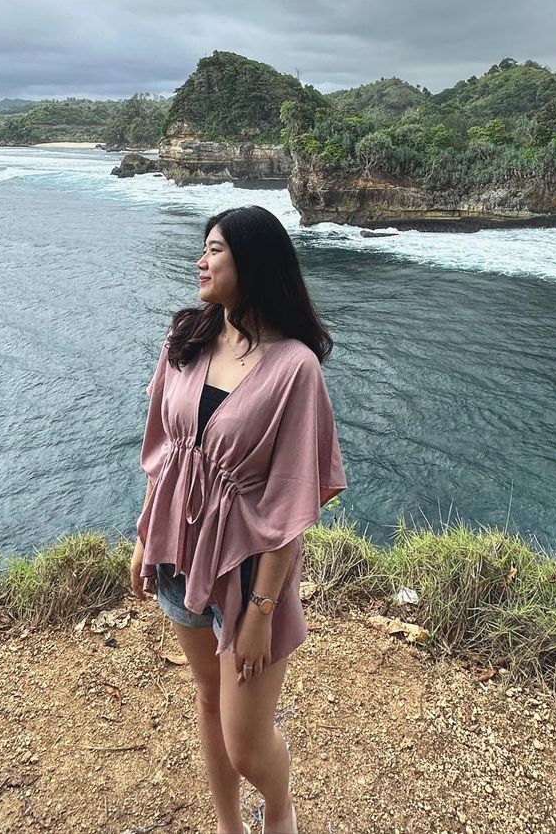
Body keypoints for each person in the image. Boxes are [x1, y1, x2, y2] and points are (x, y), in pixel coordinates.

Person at [131, 205, 347, 834]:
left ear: (252, 262)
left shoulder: (294, 369)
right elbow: (165, 455)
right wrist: (147, 535)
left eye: (216, 249)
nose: (201, 261)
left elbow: (289, 504)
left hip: (251, 571)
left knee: (248, 746)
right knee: (207, 698)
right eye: (203, 248)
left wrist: (259, 613)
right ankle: (228, 826)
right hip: (180, 554)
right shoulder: (186, 341)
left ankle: (278, 808)